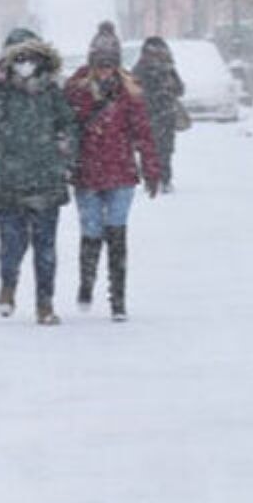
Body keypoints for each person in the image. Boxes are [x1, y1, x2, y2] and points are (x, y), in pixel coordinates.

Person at [0, 28, 74, 325]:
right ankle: (8, 286)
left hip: (46, 178)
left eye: (29, 57)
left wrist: (66, 142)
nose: (24, 64)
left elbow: (69, 123)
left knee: (45, 248)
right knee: (12, 244)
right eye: (17, 58)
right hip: (8, 181)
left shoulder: (52, 92)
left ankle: (45, 304)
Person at [64, 21, 161, 322]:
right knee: (91, 231)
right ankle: (87, 282)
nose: (105, 70)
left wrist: (151, 169)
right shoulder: (76, 89)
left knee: (117, 234)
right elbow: (65, 128)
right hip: (88, 173)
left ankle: (117, 299)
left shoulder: (129, 92)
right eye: (100, 64)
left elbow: (143, 133)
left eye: (109, 64)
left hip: (120, 173)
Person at [131, 36, 185, 193]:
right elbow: (180, 89)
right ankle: (162, 179)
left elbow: (134, 90)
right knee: (163, 149)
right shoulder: (166, 67)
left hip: (149, 114)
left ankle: (154, 179)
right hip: (162, 113)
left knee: (152, 148)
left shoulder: (141, 68)